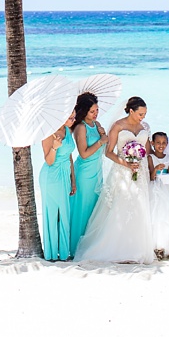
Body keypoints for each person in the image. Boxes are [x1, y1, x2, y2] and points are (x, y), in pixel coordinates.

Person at [75, 97, 157, 263]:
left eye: (145, 114)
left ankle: (136, 248)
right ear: (131, 111)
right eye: (140, 113)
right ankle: (116, 248)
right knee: (121, 207)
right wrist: (126, 163)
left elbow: (147, 151)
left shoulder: (144, 127)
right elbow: (108, 152)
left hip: (139, 171)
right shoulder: (118, 126)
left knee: (139, 206)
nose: (143, 117)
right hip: (122, 172)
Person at [37, 112, 77, 261]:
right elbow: (49, 161)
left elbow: (70, 156)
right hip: (51, 176)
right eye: (70, 117)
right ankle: (52, 254)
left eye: (74, 117)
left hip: (65, 176)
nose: (73, 120)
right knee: (52, 213)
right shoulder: (48, 134)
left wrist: (73, 180)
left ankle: (64, 252)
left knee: (65, 213)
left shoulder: (68, 130)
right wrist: (54, 147)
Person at [68, 93, 108, 238]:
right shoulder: (80, 127)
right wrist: (101, 141)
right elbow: (83, 153)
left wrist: (103, 136)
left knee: (94, 208)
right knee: (82, 208)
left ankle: (90, 242)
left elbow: (102, 149)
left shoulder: (96, 125)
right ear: (84, 111)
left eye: (97, 110)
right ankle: (76, 244)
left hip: (97, 171)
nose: (95, 114)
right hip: (84, 173)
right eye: (92, 111)